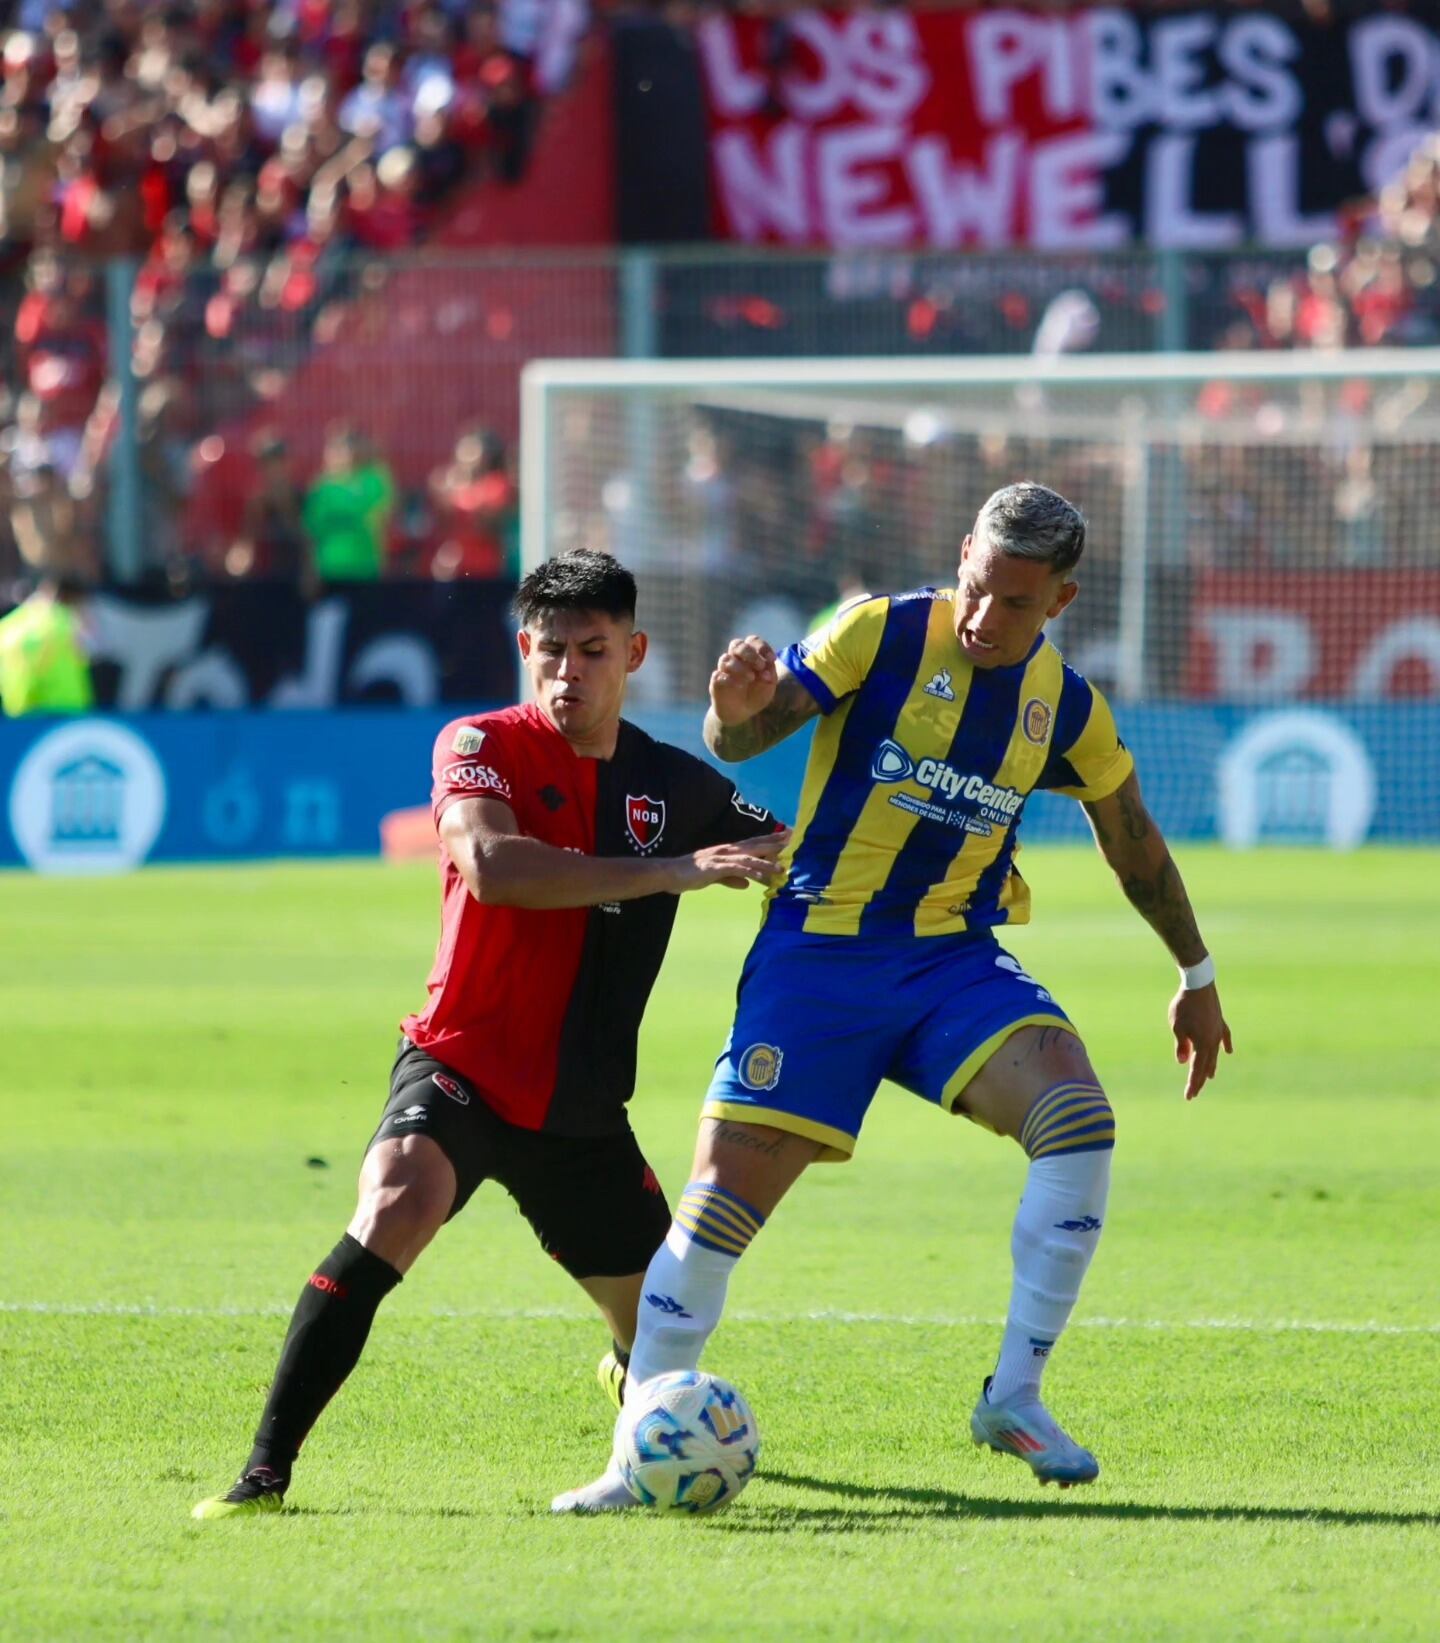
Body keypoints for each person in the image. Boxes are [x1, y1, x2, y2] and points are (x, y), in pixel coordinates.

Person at [555, 482, 1233, 1512]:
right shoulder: (880, 631)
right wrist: (731, 716)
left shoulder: (1071, 710)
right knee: (719, 1210)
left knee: (1079, 1117)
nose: (981, 617)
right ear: (961, 554)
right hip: (818, 952)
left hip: (949, 956)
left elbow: (1131, 836)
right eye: (975, 586)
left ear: (1060, 599)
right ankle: (633, 1444)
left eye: (1013, 602)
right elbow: (749, 734)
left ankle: (1014, 1394)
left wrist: (1195, 973)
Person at [192, 550, 788, 1519]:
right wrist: (676, 869)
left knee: (661, 1333)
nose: (568, 672)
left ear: (632, 652)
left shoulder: (676, 782)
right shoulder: (479, 741)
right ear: (524, 647)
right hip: (462, 1060)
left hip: (582, 1108)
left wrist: (928, 877)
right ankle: (264, 1469)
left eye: (592, 651)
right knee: (395, 1197)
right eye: (550, 650)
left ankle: (627, 1376)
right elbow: (493, 865)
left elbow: (790, 856)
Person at [0, 572, 93, 717]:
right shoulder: (68, 621)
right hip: (67, 713)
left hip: (18, 716)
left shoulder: (7, 626)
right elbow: (93, 651)